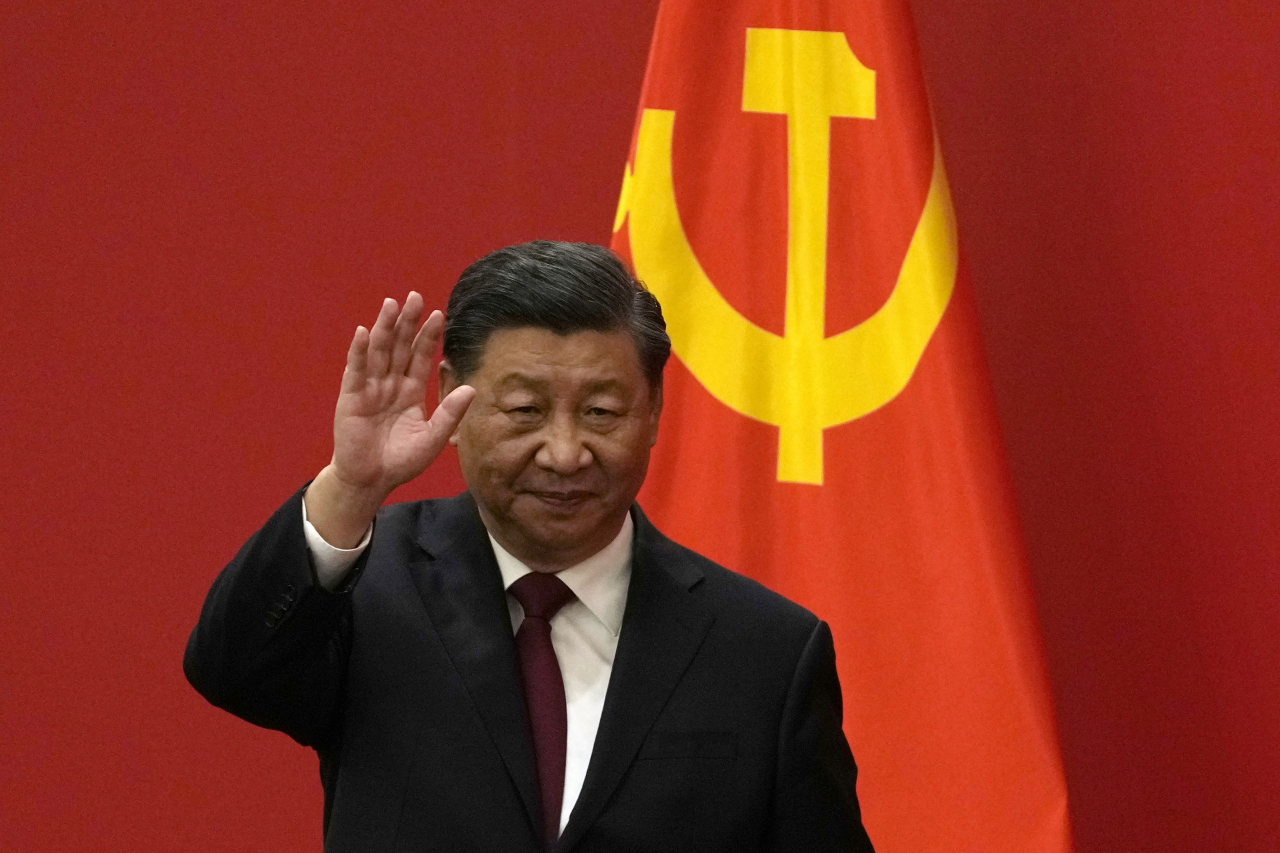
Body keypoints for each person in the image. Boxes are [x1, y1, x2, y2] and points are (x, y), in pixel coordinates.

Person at [185, 241, 875, 852]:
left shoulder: (765, 651)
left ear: (655, 411)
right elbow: (231, 668)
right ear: (454, 398)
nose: (567, 452)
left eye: (602, 412)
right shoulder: (369, 586)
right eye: (526, 411)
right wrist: (351, 486)